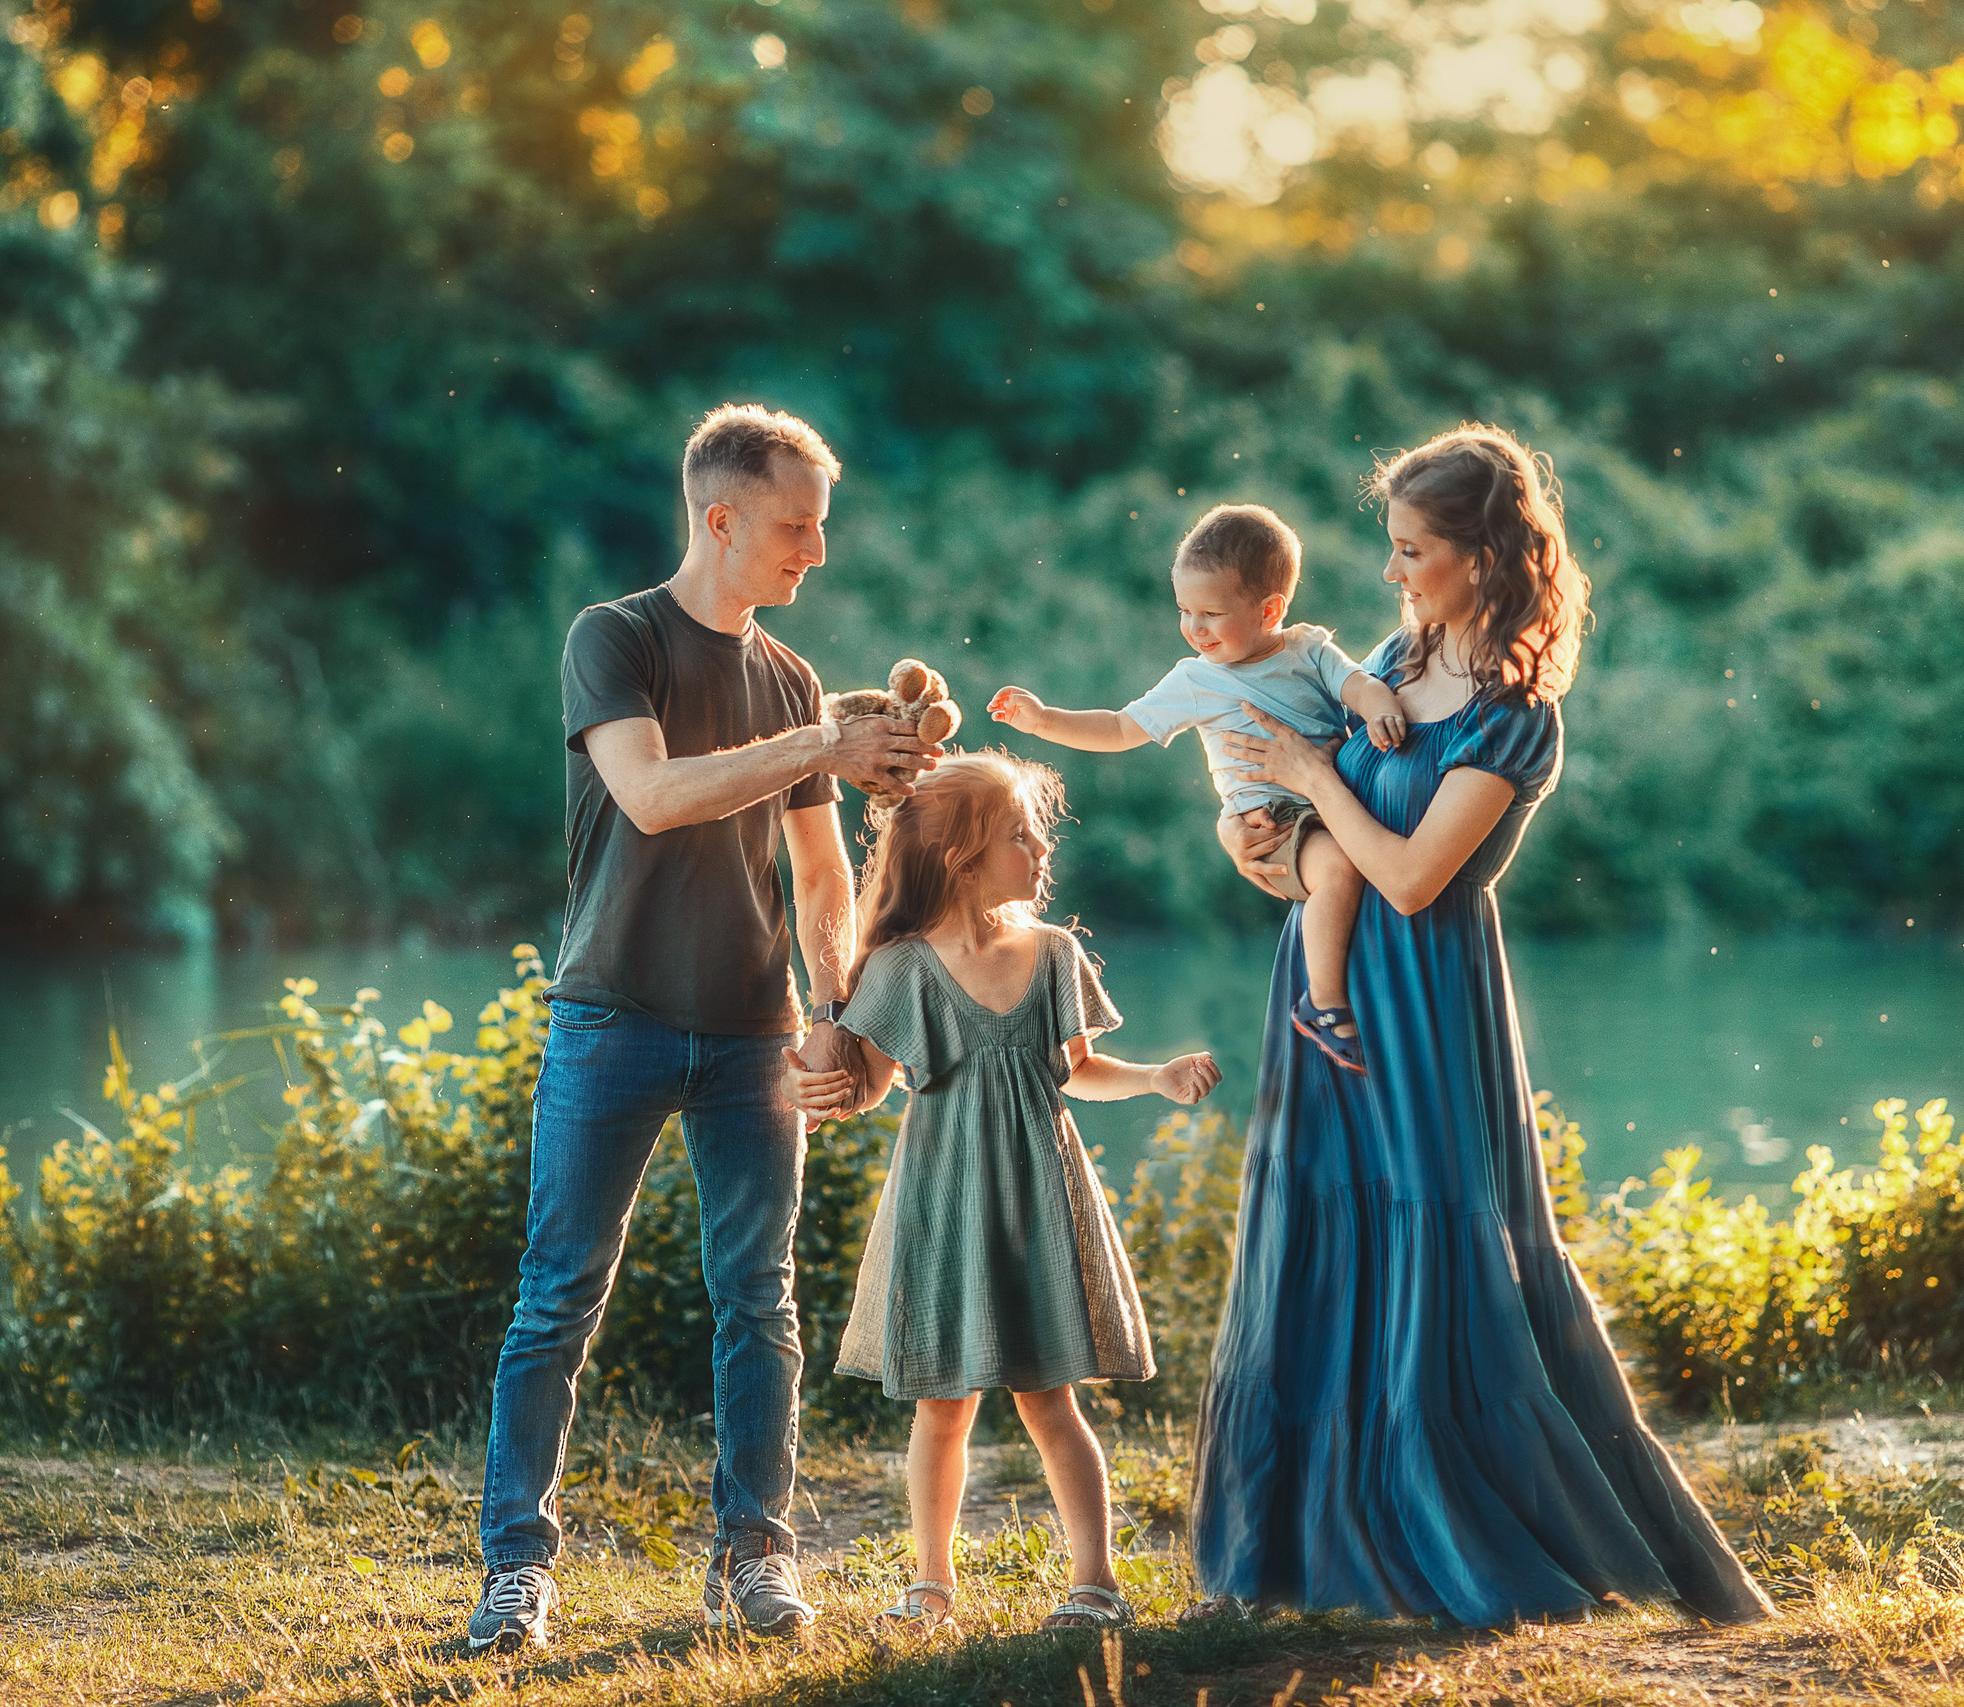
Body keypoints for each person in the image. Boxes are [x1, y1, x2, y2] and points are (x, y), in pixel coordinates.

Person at [1188, 426, 1774, 1628]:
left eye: (1415, 551)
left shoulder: (1512, 718)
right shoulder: (1389, 669)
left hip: (1426, 1003)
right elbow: (1304, 839)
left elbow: (1408, 878)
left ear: (1484, 557)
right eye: (1392, 547)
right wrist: (1256, 838)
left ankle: (1462, 1526)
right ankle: (1299, 1547)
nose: (1394, 573)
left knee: (1441, 1244)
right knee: (1316, 1236)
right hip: (1320, 988)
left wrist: (1313, 783)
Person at [467, 404, 942, 1655]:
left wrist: (836, 1017)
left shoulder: (789, 676)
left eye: (821, 529)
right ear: (720, 519)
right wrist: (818, 742)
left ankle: (757, 1556)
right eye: (796, 528)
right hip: (609, 1017)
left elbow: (822, 876)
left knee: (758, 1300)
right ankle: (515, 1569)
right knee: (556, 1298)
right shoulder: (613, 638)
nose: (815, 555)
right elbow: (654, 793)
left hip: (753, 1035)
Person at [788, 752, 1221, 1632]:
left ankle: (1095, 1582)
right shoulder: (902, 968)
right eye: (1019, 836)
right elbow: (866, 1084)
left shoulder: (1054, 953)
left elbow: (1079, 1070)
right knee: (942, 1406)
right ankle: (931, 1583)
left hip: (1037, 1199)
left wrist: (1154, 1078)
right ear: (962, 859)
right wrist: (811, 1075)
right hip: (944, 1207)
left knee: (1049, 1396)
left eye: (1037, 832)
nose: (1039, 850)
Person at [987, 504, 1406, 1074]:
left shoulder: (1308, 649)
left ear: (1270, 610)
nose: (1194, 629)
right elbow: (1119, 727)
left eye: (1211, 613)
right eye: (1185, 611)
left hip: (1337, 799)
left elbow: (1355, 682)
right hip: (1275, 818)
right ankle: (1324, 1003)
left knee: (1359, 869)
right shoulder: (1194, 679)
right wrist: (1044, 721)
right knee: (1339, 869)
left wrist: (1379, 703)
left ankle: (1346, 992)